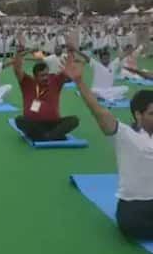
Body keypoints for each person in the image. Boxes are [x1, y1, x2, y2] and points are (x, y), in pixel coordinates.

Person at [63, 54, 153, 239]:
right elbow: (99, 111)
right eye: (152, 113)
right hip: (135, 207)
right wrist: (80, 82)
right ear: (138, 114)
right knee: (131, 226)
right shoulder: (126, 135)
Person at [13, 48, 79, 141]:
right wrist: (22, 51)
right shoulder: (28, 82)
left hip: (54, 123)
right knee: (19, 120)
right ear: (35, 76)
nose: (46, 77)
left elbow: (67, 71)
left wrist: (71, 49)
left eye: (47, 74)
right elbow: (17, 68)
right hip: (34, 123)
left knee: (74, 120)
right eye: (42, 75)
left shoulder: (55, 81)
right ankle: (53, 136)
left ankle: (46, 136)